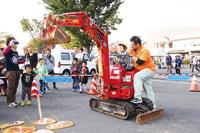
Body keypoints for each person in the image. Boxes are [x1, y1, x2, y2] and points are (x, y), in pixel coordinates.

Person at [128, 36, 156, 108]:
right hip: (143, 70)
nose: (131, 46)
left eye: (133, 45)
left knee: (137, 77)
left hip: (149, 69)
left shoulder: (145, 50)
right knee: (148, 88)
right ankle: (152, 105)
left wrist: (132, 56)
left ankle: (137, 97)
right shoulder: (134, 50)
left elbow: (140, 62)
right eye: (131, 44)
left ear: (138, 44)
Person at [3, 37, 24, 108]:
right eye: (13, 42)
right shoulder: (7, 50)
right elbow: (4, 52)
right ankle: (9, 102)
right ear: (9, 42)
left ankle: (13, 101)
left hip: (16, 70)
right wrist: (10, 45)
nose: (15, 43)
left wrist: (24, 58)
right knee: (11, 87)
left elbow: (18, 61)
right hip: (10, 70)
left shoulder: (15, 51)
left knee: (15, 86)